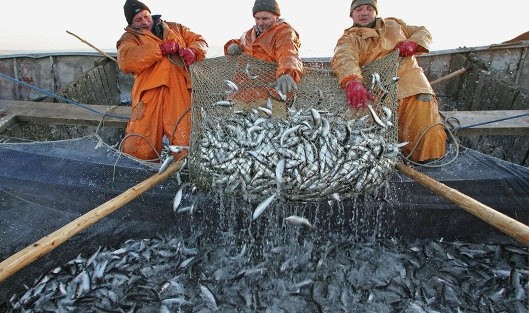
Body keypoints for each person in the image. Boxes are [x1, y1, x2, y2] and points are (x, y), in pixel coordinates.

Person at [331, 0, 447, 163]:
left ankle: (430, 162)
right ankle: (394, 158)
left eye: (369, 8)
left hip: (412, 83)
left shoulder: (394, 25)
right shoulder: (348, 39)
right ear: (351, 14)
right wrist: (352, 81)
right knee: (380, 130)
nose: (364, 12)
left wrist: (414, 42)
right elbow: (344, 58)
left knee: (425, 121)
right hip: (380, 92)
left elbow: (423, 31)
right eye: (358, 9)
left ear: (375, 11)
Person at [116, 0, 208, 161]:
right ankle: (140, 176)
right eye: (138, 20)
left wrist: (193, 51)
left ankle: (185, 174)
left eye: (146, 16)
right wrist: (160, 49)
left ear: (150, 14)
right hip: (148, 96)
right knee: (138, 146)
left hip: (179, 92)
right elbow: (126, 61)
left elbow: (200, 41)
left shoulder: (176, 28)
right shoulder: (129, 37)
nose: (144, 22)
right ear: (131, 23)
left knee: (185, 143)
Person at [224, 0, 303, 111]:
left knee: (273, 126)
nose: (260, 23)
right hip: (241, 96)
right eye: (257, 18)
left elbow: (288, 53)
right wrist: (230, 46)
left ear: (276, 17)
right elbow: (239, 43)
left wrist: (287, 73)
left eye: (265, 18)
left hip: (269, 98)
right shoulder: (248, 34)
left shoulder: (284, 33)